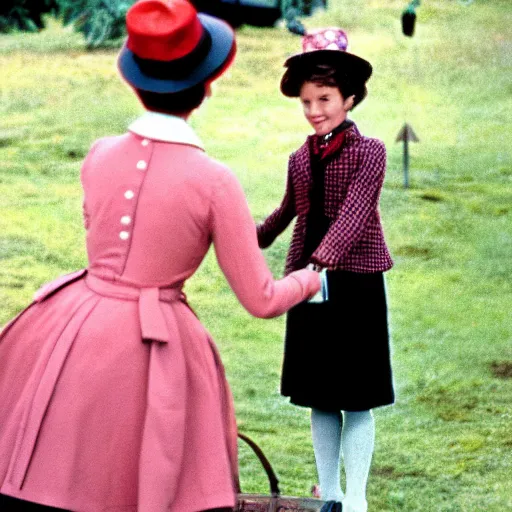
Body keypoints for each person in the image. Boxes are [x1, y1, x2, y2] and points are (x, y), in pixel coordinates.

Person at [0, 1, 322, 511]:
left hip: (72, 325)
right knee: (146, 483)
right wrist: (313, 277)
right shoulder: (214, 180)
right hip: (154, 345)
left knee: (66, 472)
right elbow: (262, 299)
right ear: (207, 86)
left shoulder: (101, 153)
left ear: (134, 81)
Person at [257, 28, 395, 512]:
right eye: (307, 102)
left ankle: (355, 497)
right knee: (319, 395)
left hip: (354, 282)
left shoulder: (371, 152)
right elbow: (284, 215)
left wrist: (319, 266)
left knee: (357, 395)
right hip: (308, 287)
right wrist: (243, 236)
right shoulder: (300, 158)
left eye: (325, 99)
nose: (315, 110)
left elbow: (357, 214)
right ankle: (329, 493)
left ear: (350, 98)